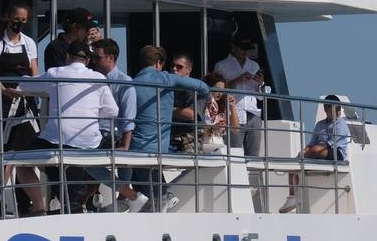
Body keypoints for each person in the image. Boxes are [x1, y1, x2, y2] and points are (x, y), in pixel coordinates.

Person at [17, 39, 118, 214]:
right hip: (89, 142)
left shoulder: (56, 73)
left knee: (21, 163)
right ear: (87, 61)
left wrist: (20, 78)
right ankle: (72, 204)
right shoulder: (98, 78)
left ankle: (40, 208)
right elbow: (113, 111)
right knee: (66, 165)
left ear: (67, 57)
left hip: (57, 140)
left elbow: (26, 85)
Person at [130, 45, 209, 212]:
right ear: (159, 63)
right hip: (160, 144)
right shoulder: (166, 79)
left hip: (135, 144)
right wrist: (207, 98)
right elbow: (202, 87)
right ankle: (163, 198)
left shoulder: (132, 83)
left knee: (141, 177)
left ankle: (157, 200)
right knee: (150, 174)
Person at [0, 2, 40, 215]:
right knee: (2, 151)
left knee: (24, 153)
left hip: (25, 102)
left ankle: (26, 203)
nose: (19, 24)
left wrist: (32, 92)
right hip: (4, 101)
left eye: (24, 21)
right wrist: (4, 90)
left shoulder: (30, 43)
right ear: (8, 17)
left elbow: (35, 74)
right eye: (17, 19)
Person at [89, 38, 146, 212]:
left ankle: (127, 196)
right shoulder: (93, 78)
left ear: (111, 57)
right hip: (95, 134)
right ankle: (127, 196)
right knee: (84, 163)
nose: (93, 61)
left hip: (113, 136)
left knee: (86, 163)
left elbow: (129, 116)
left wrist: (126, 145)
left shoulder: (124, 82)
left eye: (97, 58)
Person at [280, 95, 350, 214]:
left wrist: (309, 151)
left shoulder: (341, 125)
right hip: (317, 150)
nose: (327, 110)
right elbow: (311, 143)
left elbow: (328, 145)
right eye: (327, 107)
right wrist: (303, 152)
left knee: (316, 150)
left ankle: (295, 197)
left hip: (336, 152)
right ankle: (293, 197)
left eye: (331, 108)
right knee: (295, 163)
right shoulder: (320, 124)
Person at [215, 35, 265, 149]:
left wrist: (261, 84)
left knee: (254, 158)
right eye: (243, 48)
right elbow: (217, 92)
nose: (245, 52)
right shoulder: (221, 65)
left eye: (247, 49)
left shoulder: (254, 65)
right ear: (233, 46)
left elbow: (261, 97)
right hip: (233, 115)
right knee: (233, 154)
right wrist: (238, 80)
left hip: (253, 115)